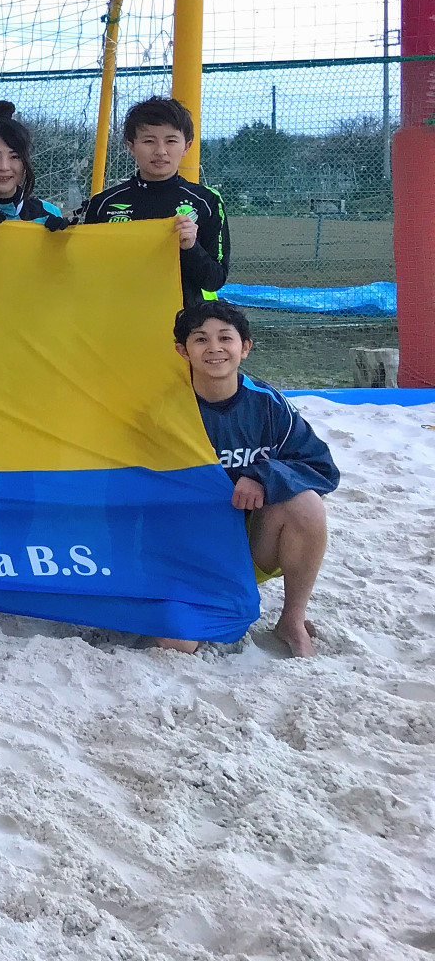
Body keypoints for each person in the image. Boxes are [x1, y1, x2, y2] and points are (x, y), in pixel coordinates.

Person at [171, 301, 335, 658]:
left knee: (306, 504)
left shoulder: (268, 404)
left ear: (244, 347)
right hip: (186, 550)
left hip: (251, 543)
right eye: (201, 339)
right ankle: (209, 599)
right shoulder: (166, 410)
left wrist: (262, 475)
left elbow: (322, 467)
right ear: (183, 351)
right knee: (177, 644)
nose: (214, 348)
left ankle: (292, 619)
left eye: (225, 338)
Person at [80, 96, 229, 310]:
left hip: (184, 323)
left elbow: (215, 280)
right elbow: (87, 271)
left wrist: (190, 247)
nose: (160, 151)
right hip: (118, 318)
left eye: (171, 141)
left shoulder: (206, 201)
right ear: (131, 146)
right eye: (149, 141)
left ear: (186, 146)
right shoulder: (104, 203)